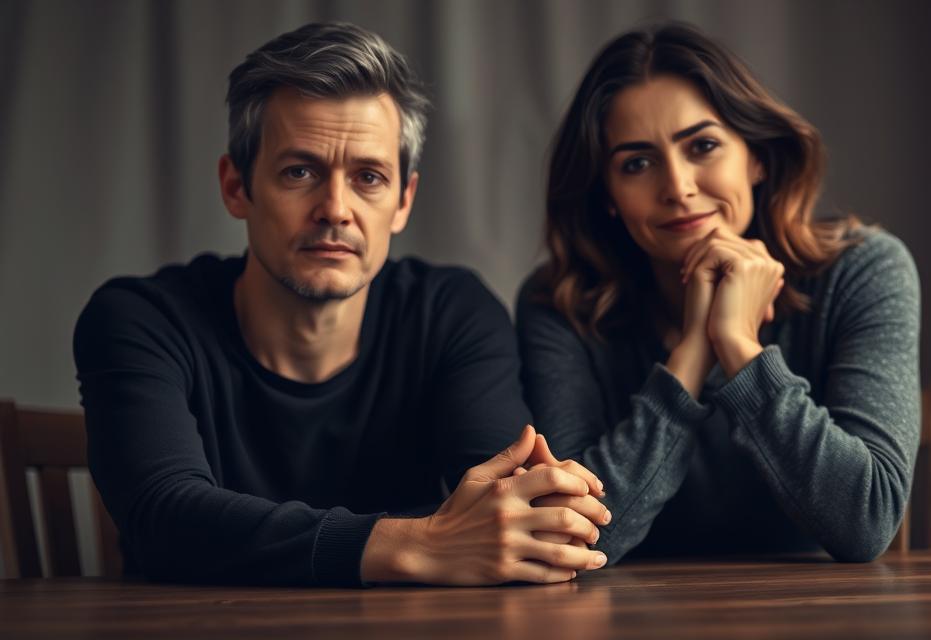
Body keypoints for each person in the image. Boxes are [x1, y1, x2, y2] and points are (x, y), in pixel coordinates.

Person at [74, 22, 610, 587]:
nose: (335, 208)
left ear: (403, 201)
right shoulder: (140, 320)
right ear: (236, 187)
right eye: (299, 172)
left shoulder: (451, 312)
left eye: (368, 177)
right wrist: (419, 543)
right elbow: (164, 520)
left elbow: (508, 512)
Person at [517, 21, 921, 565]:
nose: (678, 187)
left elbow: (866, 521)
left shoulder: (864, 270)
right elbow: (578, 537)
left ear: (756, 157)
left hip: (822, 613)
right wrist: (691, 356)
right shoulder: (560, 304)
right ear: (607, 196)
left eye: (703, 146)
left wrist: (738, 346)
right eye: (637, 163)